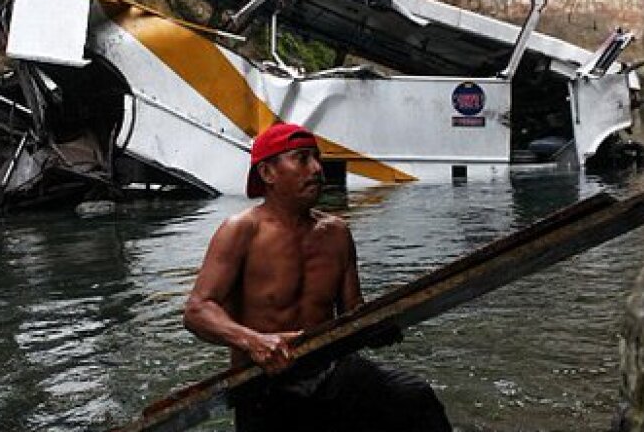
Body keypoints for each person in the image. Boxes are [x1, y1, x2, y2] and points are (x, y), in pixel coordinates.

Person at [183, 122, 452, 432]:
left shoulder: (336, 232)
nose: (316, 169)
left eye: (317, 158)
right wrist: (254, 341)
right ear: (268, 173)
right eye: (301, 158)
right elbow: (197, 311)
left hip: (331, 370)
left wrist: (379, 328)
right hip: (263, 381)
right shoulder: (241, 230)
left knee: (414, 397)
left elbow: (353, 314)